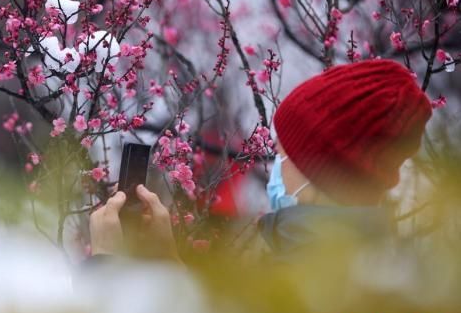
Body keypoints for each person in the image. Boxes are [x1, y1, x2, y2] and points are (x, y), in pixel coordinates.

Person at [89, 59, 433, 260]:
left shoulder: (316, 281)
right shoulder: (362, 265)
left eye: (284, 153)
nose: (277, 166)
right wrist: (167, 260)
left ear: (322, 173)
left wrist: (105, 267)